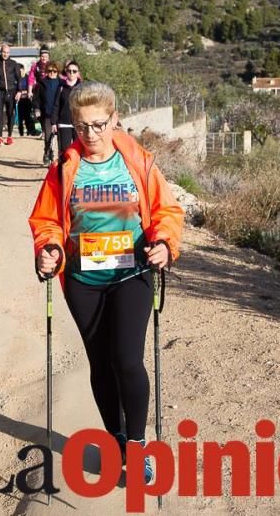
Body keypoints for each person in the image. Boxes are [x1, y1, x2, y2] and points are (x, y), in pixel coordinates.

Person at [28, 81, 183, 485]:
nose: (91, 134)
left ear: (115, 120)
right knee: (100, 363)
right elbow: (47, 222)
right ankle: (115, 441)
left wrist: (165, 244)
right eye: (81, 126)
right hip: (84, 279)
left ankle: (138, 444)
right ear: (72, 125)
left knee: (127, 360)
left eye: (99, 124)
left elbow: (167, 211)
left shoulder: (140, 163)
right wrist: (50, 250)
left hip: (132, 273)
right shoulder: (63, 168)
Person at [33, 61, 62, 166]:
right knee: (48, 137)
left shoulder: (61, 83)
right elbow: (36, 99)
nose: (52, 73)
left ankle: (60, 158)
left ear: (57, 71)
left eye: (54, 71)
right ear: (46, 71)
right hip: (47, 114)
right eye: (49, 71)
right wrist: (37, 109)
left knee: (61, 138)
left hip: (60, 115)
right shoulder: (41, 84)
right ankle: (47, 153)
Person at [51, 60, 83, 158]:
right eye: (69, 71)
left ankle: (77, 172)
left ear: (78, 73)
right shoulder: (61, 87)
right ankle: (63, 172)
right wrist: (53, 122)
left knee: (80, 151)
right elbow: (56, 105)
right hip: (64, 123)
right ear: (66, 72)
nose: (72, 73)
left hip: (79, 124)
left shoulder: (82, 88)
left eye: (74, 71)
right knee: (65, 152)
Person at [14, 64, 38, 137]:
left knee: (28, 116)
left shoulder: (28, 78)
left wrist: (24, 92)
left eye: (21, 71)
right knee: (20, 118)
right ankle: (21, 133)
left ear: (24, 70)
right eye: (19, 71)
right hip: (19, 101)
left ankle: (29, 131)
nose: (20, 73)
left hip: (27, 100)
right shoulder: (16, 79)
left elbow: (31, 88)